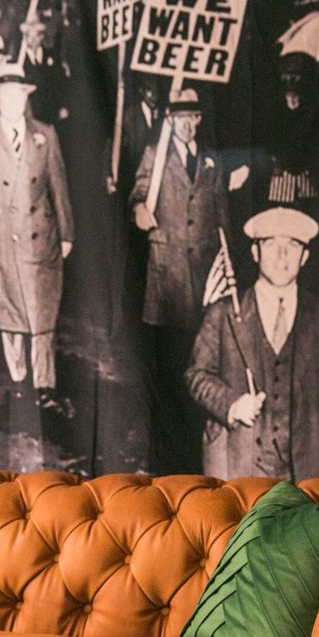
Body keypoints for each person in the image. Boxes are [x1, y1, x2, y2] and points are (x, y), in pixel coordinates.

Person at [186, 206, 319, 481]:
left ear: (304, 257)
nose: (282, 257)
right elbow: (197, 375)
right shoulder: (223, 313)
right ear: (255, 253)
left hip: (305, 468)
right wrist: (232, 405)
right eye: (271, 245)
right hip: (234, 463)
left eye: (292, 246)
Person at [130, 87, 229, 473]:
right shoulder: (155, 158)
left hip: (204, 284)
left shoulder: (210, 161)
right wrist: (139, 208)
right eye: (180, 117)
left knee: (199, 367)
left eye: (193, 116)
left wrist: (227, 257)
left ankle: (192, 457)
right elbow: (139, 191)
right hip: (167, 279)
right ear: (169, 121)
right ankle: (164, 461)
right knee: (168, 375)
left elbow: (222, 215)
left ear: (200, 120)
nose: (187, 124)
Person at [0, 61, 74, 412]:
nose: (14, 101)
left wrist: (67, 232)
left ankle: (45, 387)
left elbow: (59, 186)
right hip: (1, 243)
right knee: (10, 319)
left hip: (42, 241)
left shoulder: (45, 134)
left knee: (43, 319)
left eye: (20, 95)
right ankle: (19, 379)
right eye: (8, 95)